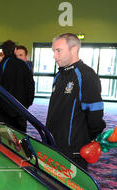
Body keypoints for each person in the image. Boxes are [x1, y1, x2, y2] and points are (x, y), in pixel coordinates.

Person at [46, 33, 106, 170]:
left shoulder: (87, 75)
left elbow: (95, 115)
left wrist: (89, 139)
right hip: (53, 144)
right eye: (53, 51)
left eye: (58, 51)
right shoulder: (59, 75)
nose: (54, 55)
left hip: (73, 152)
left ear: (73, 49)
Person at [0, 40, 35, 135]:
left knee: (3, 137)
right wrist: (27, 104)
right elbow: (30, 86)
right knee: (20, 137)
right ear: (15, 49)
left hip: (4, 109)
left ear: (3, 51)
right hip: (20, 108)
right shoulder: (23, 65)